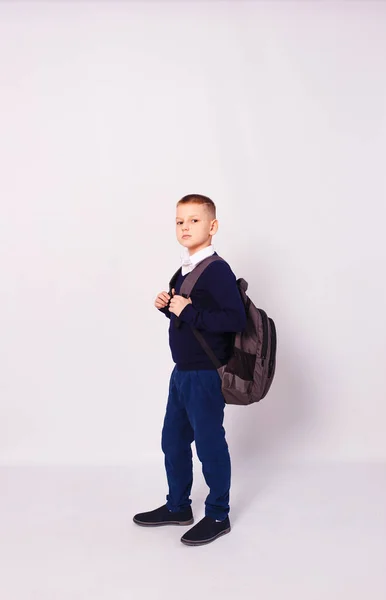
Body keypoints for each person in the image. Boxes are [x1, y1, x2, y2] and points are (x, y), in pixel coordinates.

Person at [133, 194, 246, 546]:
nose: (185, 226)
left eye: (194, 220)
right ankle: (178, 507)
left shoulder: (217, 269)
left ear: (212, 227)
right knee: (173, 441)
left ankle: (217, 514)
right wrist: (167, 306)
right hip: (181, 372)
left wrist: (187, 311)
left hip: (204, 373)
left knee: (210, 444)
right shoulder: (184, 268)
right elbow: (186, 314)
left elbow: (234, 319)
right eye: (180, 221)